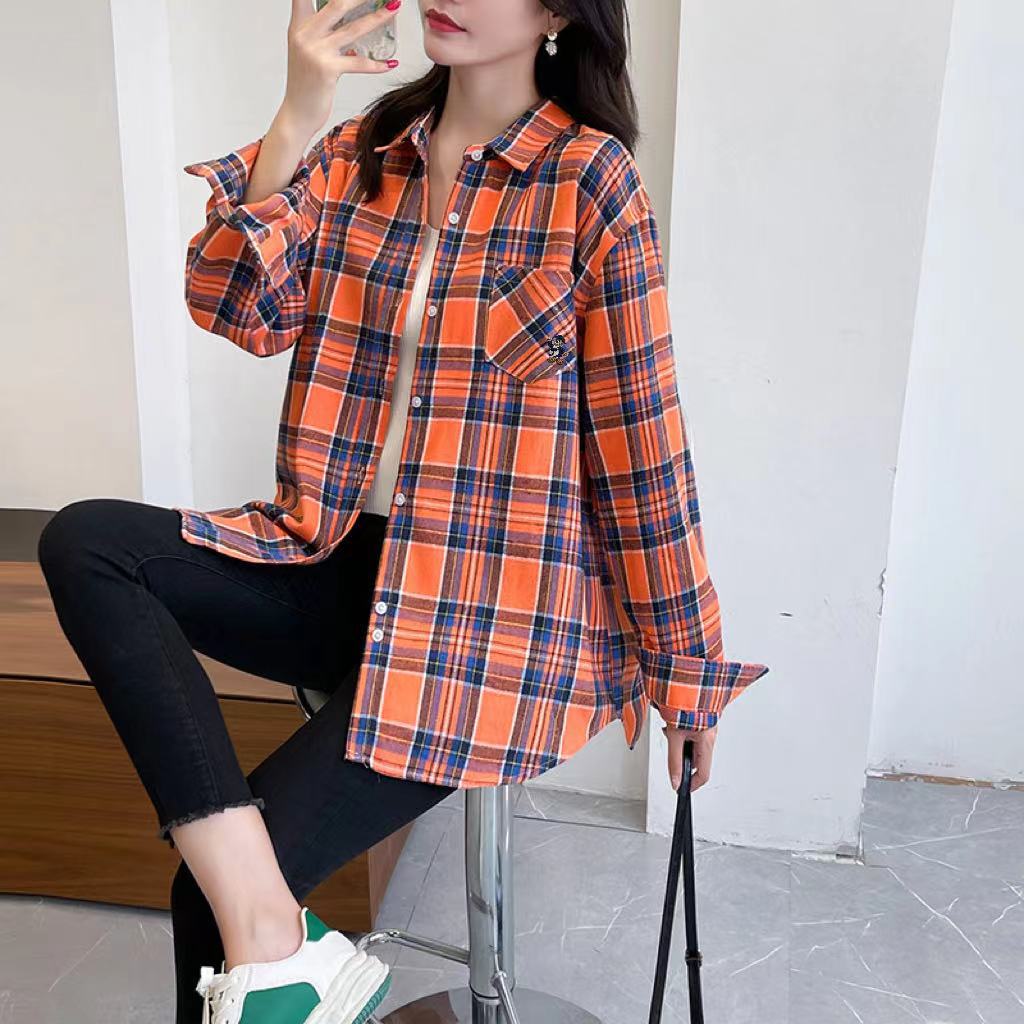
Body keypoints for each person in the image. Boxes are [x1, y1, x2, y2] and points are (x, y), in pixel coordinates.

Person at [36, 0, 770, 1021]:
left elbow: (641, 445)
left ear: (559, 11)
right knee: (87, 542)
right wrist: (298, 111)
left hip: (487, 627)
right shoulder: (363, 153)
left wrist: (687, 671)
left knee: (209, 901)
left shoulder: (589, 180)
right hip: (335, 563)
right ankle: (277, 939)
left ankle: (266, 938)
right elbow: (237, 307)